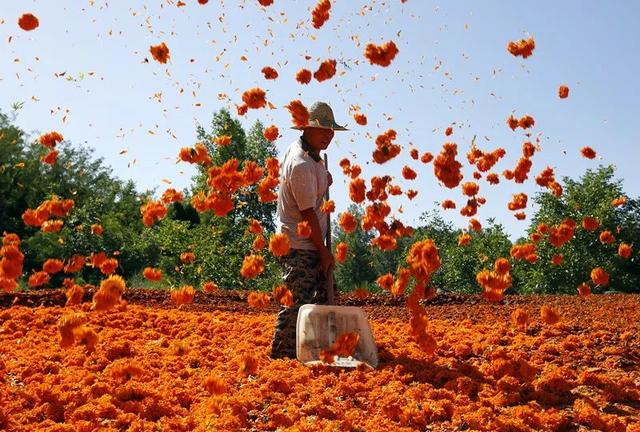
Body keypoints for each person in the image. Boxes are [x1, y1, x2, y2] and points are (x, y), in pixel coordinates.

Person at [270, 101, 348, 360]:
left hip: (310, 241)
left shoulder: (310, 155)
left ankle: (317, 349)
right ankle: (281, 358)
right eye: (322, 128)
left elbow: (316, 183)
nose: (328, 134)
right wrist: (324, 252)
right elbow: (307, 216)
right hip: (300, 244)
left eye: (331, 129)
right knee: (296, 302)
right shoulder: (301, 163)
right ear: (306, 128)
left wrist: (325, 178)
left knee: (326, 296)